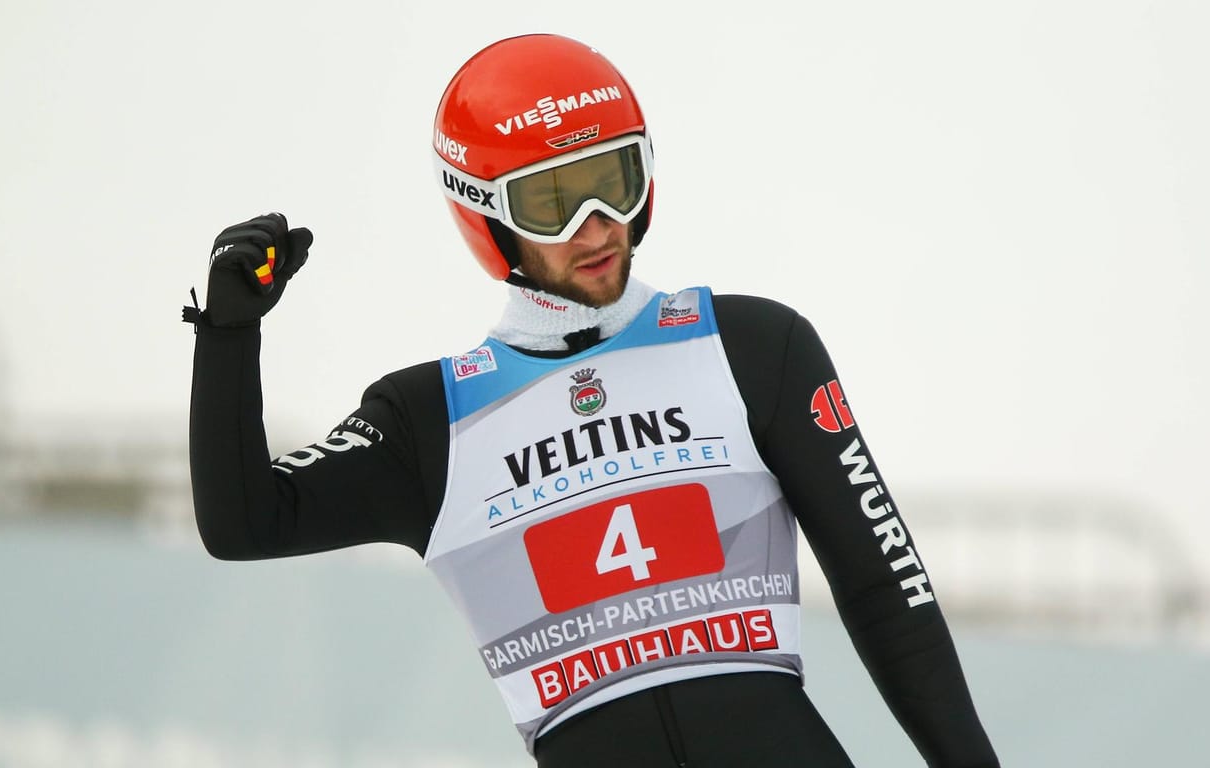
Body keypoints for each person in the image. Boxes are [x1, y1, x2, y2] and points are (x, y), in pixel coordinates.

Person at [186, 33, 1000, 768]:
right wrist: (227, 341)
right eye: (552, 201)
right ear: (486, 216)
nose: (597, 224)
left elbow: (884, 588)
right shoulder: (429, 422)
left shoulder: (752, 346)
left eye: (613, 180)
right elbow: (244, 522)